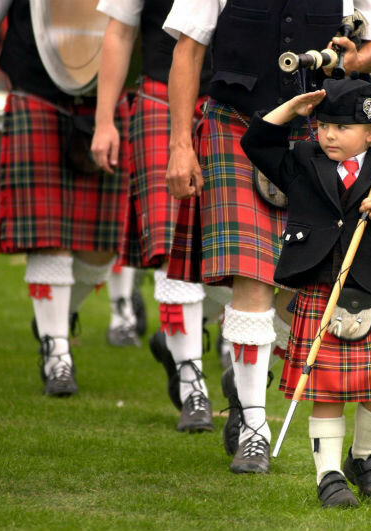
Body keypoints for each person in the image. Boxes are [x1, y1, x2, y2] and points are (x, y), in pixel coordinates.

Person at [162, 0, 371, 474]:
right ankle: (253, 427)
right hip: (237, 126)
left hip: (320, 132)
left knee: (306, 286)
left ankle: (247, 370)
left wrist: (349, 61)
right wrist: (181, 144)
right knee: (253, 278)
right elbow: (187, 50)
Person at [241, 78, 371, 507]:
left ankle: (364, 456)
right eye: (323, 126)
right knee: (325, 392)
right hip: (320, 287)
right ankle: (329, 476)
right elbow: (257, 141)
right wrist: (292, 107)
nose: (329, 135)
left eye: (342, 127)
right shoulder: (302, 158)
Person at [0, 1, 130, 397]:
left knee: (104, 249)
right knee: (47, 235)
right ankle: (56, 353)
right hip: (35, 94)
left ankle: (56, 317)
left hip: (108, 99)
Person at [92, 0, 233, 433]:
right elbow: (118, 32)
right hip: (159, 97)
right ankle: (192, 381)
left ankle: (205, 339)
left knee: (235, 250)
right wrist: (104, 121)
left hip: (236, 107)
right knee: (174, 249)